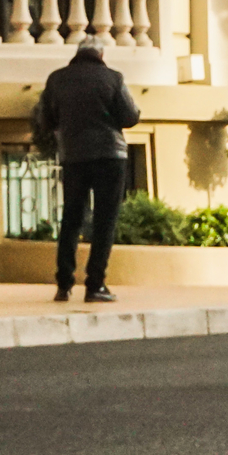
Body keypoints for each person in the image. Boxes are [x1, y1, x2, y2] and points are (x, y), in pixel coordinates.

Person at [35, 40, 142, 302]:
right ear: (101, 54)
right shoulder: (113, 78)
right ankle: (95, 285)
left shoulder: (57, 79)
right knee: (104, 221)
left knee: (71, 218)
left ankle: (64, 284)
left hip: (74, 156)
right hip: (109, 155)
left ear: (78, 53)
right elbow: (130, 116)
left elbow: (47, 119)